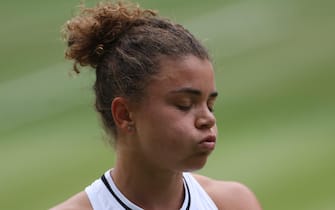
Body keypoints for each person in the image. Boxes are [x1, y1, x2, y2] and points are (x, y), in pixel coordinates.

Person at [51, 1, 262, 209]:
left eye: (210, 104)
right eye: (184, 105)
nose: (208, 119)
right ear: (125, 114)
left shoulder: (233, 203)